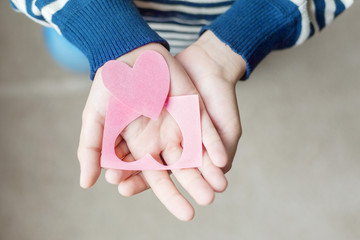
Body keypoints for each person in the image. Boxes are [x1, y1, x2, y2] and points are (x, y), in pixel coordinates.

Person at [10, 0, 353, 221]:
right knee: (69, 51)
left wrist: (233, 42)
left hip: (233, 17)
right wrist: (105, 31)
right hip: (99, 16)